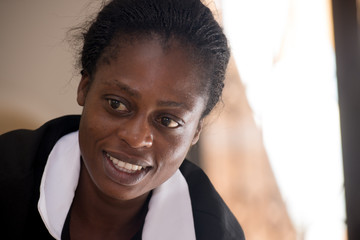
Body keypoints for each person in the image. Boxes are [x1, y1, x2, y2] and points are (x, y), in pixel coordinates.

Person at [0, 0, 245, 239]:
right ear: (85, 87)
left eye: (168, 121)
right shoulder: (7, 174)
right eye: (117, 104)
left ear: (195, 132)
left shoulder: (212, 232)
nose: (137, 138)